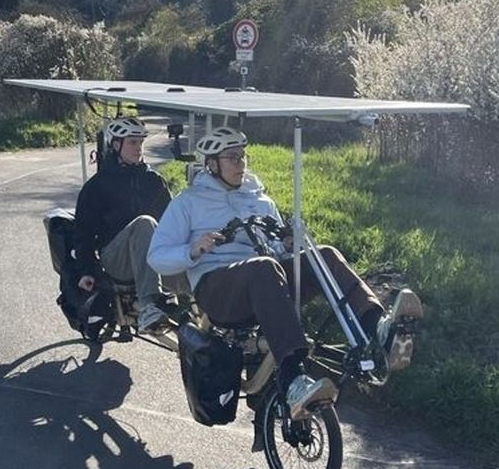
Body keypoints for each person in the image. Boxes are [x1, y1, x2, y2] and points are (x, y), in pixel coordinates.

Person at [148, 126, 423, 420]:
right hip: (217, 288)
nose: (241, 164)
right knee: (263, 268)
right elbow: (156, 256)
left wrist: (288, 245)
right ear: (212, 164)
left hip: (264, 281)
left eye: (243, 156)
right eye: (232, 157)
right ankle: (293, 379)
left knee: (325, 255)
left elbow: (276, 251)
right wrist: (192, 250)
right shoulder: (188, 202)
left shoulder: (259, 199)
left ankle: (377, 328)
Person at [72, 117, 175, 334]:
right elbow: (84, 232)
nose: (138, 148)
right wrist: (86, 271)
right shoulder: (98, 186)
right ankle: (149, 306)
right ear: (116, 145)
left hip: (151, 255)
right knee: (145, 223)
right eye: (132, 142)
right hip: (115, 258)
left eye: (140, 143)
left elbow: (173, 220)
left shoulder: (154, 180)